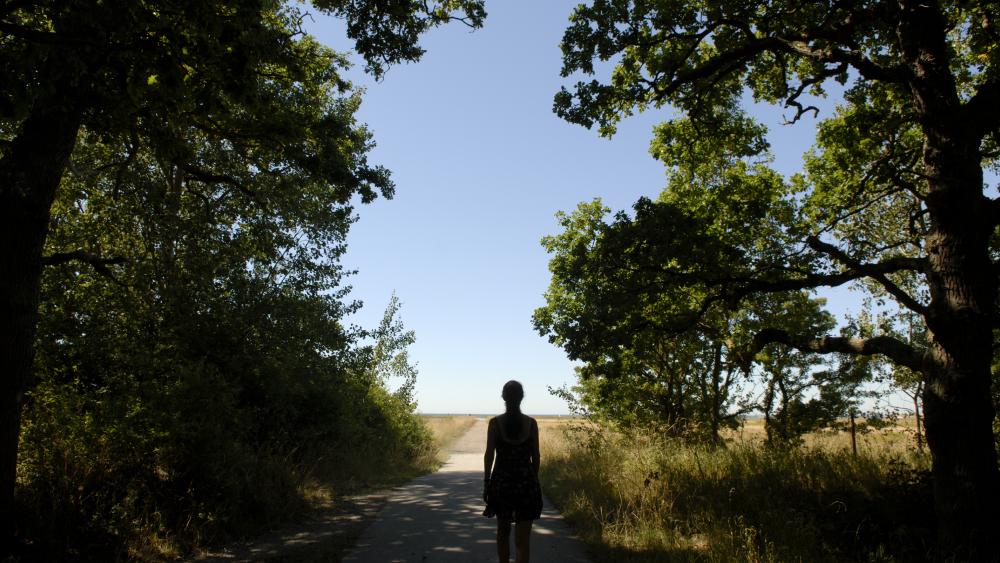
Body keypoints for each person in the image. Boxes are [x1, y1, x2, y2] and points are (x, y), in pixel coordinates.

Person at [483, 380, 543, 563]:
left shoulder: (494, 424)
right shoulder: (531, 424)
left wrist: (487, 483)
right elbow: (536, 457)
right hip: (526, 484)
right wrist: (532, 480)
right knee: (523, 540)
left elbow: (489, 456)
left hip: (502, 484)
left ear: (503, 397)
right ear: (522, 397)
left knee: (503, 533)